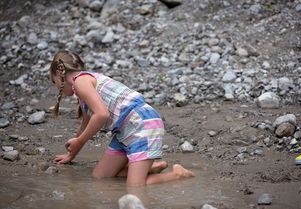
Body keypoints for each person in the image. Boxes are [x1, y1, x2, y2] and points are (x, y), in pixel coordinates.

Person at [50, 50, 195, 185]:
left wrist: (79, 141)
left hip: (141, 125)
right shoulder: (82, 89)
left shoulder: (80, 82)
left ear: (58, 73)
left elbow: (102, 114)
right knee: (100, 177)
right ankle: (148, 168)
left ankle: (177, 174)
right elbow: (86, 124)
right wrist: (71, 154)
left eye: (53, 81)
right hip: (124, 132)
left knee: (135, 187)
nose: (56, 87)